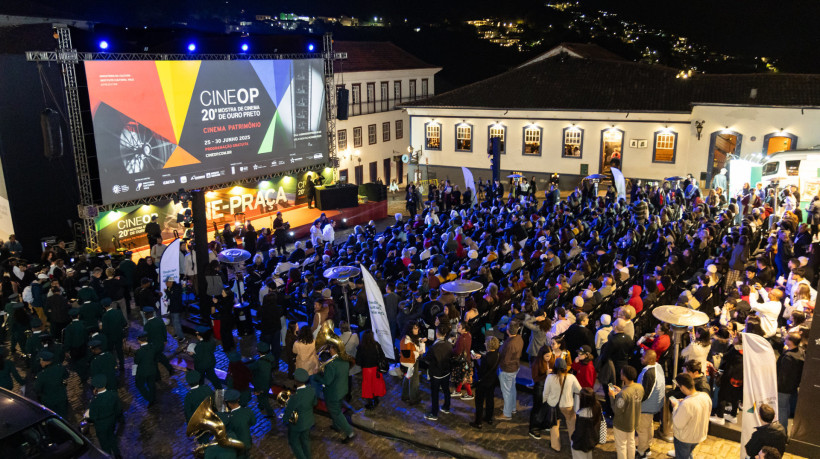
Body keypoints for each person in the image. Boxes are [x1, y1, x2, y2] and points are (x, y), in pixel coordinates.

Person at [312, 343, 354, 443]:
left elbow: (327, 381)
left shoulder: (331, 365)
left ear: (334, 349)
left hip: (333, 393)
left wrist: (317, 375)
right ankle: (337, 426)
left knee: (336, 413)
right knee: (337, 409)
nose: (329, 349)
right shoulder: (344, 360)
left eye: (330, 348)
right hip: (342, 389)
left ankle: (350, 432)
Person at [670, 373, 712, 459]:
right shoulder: (705, 396)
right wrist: (684, 401)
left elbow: (678, 424)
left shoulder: (687, 404)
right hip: (699, 436)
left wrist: (676, 407)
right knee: (688, 453)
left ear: (683, 387)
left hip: (685, 438)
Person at [542, 357, 581, 450]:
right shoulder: (571, 377)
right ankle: (574, 444)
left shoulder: (550, 377)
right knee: (572, 424)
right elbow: (579, 390)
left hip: (553, 406)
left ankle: (556, 446)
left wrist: (544, 402)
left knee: (554, 426)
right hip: (568, 405)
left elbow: (545, 393)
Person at [609, 365, 643, 459]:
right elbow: (631, 398)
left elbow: (616, 410)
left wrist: (612, 396)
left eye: (621, 373)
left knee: (621, 446)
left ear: (624, 376)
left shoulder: (623, 394)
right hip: (633, 422)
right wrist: (621, 391)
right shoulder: (639, 387)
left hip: (622, 424)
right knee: (631, 443)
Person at [636, 350, 664, 459]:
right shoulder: (658, 367)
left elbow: (646, 393)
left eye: (643, 357)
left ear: (651, 359)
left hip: (646, 406)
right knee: (648, 426)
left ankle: (642, 452)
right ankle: (647, 447)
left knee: (642, 429)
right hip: (654, 405)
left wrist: (636, 401)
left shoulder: (649, 373)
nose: (641, 359)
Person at [87, 374, 123, 458]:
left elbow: (92, 416)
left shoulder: (95, 401)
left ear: (95, 388)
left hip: (100, 424)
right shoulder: (113, 394)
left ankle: (108, 455)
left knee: (104, 442)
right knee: (111, 436)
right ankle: (117, 454)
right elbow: (118, 409)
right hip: (111, 420)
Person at [285, 368, 317, 459]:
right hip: (309, 421)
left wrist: (284, 419)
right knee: (306, 440)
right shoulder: (312, 390)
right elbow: (314, 403)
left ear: (296, 381)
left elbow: (288, 412)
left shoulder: (295, 398)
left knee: (294, 442)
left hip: (297, 424)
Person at [424, 324, 454, 421]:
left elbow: (427, 360)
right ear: (445, 334)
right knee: (446, 390)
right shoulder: (449, 345)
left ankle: (434, 413)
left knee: (435, 394)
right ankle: (446, 407)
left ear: (437, 333)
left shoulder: (434, 347)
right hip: (446, 372)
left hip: (436, 374)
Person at [470, 336, 500, 429]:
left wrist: (475, 361)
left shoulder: (485, 358)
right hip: (492, 381)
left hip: (483, 383)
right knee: (490, 399)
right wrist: (482, 356)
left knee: (479, 402)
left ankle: (478, 422)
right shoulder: (497, 354)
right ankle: (489, 418)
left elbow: (481, 372)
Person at [775, 332, 804, 432]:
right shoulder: (801, 352)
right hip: (793, 387)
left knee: (781, 410)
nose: (784, 339)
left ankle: (782, 432)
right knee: (786, 408)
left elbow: (783, 376)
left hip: (783, 388)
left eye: (786, 338)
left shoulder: (788, 358)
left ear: (790, 342)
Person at [220, 388, 257, 459]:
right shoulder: (248, 411)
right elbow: (253, 422)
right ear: (238, 399)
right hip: (248, 442)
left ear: (229, 403)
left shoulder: (229, 418)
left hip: (237, 445)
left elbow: (228, 432)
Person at [498, 320, 524, 420]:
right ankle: (512, 408)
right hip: (515, 367)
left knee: (506, 392)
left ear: (508, 331)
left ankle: (507, 413)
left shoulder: (509, 344)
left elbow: (506, 360)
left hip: (507, 370)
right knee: (512, 389)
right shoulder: (519, 338)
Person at [356, 330, 387, 410]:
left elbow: (358, 361)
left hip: (366, 370)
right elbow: (382, 356)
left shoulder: (361, 347)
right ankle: (376, 399)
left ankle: (370, 403)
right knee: (376, 385)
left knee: (368, 386)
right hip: (376, 369)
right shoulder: (376, 345)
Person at [34, 350, 69, 418]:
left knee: (52, 417)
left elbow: (37, 388)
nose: (40, 362)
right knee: (63, 416)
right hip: (61, 397)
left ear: (46, 362)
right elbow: (66, 375)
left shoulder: (42, 375)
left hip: (49, 401)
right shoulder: (60, 367)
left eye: (41, 360)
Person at [571, 387, 604, 459]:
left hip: (581, 444)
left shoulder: (582, 414)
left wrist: (573, 439)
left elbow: (579, 433)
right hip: (592, 440)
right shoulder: (597, 407)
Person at [143, 307, 175, 377]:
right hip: (161, 345)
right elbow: (164, 330)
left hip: (153, 347)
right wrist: (165, 340)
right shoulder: (159, 320)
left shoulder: (147, 326)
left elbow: (147, 338)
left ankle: (157, 377)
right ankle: (170, 369)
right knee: (160, 356)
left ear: (146, 315)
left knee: (154, 361)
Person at [400, 321, 426, 405]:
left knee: (408, 378)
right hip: (411, 363)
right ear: (410, 329)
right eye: (415, 328)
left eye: (417, 328)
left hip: (411, 363)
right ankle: (413, 398)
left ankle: (405, 396)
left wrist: (420, 340)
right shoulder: (406, 341)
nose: (417, 329)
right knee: (414, 380)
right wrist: (419, 353)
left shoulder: (409, 338)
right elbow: (407, 354)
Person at [101, 297, 127, 371]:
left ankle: (113, 365)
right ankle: (122, 366)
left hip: (110, 338)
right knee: (120, 351)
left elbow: (105, 330)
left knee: (111, 352)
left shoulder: (105, 316)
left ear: (103, 306)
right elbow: (124, 323)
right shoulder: (118, 312)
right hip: (119, 335)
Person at [251, 342, 275, 418]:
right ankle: (261, 405)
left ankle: (270, 413)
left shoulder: (259, 363)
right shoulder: (271, 358)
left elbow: (252, 369)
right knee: (262, 396)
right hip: (268, 382)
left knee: (264, 398)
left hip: (261, 384)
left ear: (259, 352)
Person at [134, 332, 158, 405]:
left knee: (139, 385)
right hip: (152, 370)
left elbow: (136, 362)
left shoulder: (139, 352)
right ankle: (153, 397)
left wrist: (133, 373)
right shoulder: (153, 347)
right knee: (151, 385)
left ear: (139, 341)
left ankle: (150, 399)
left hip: (143, 372)